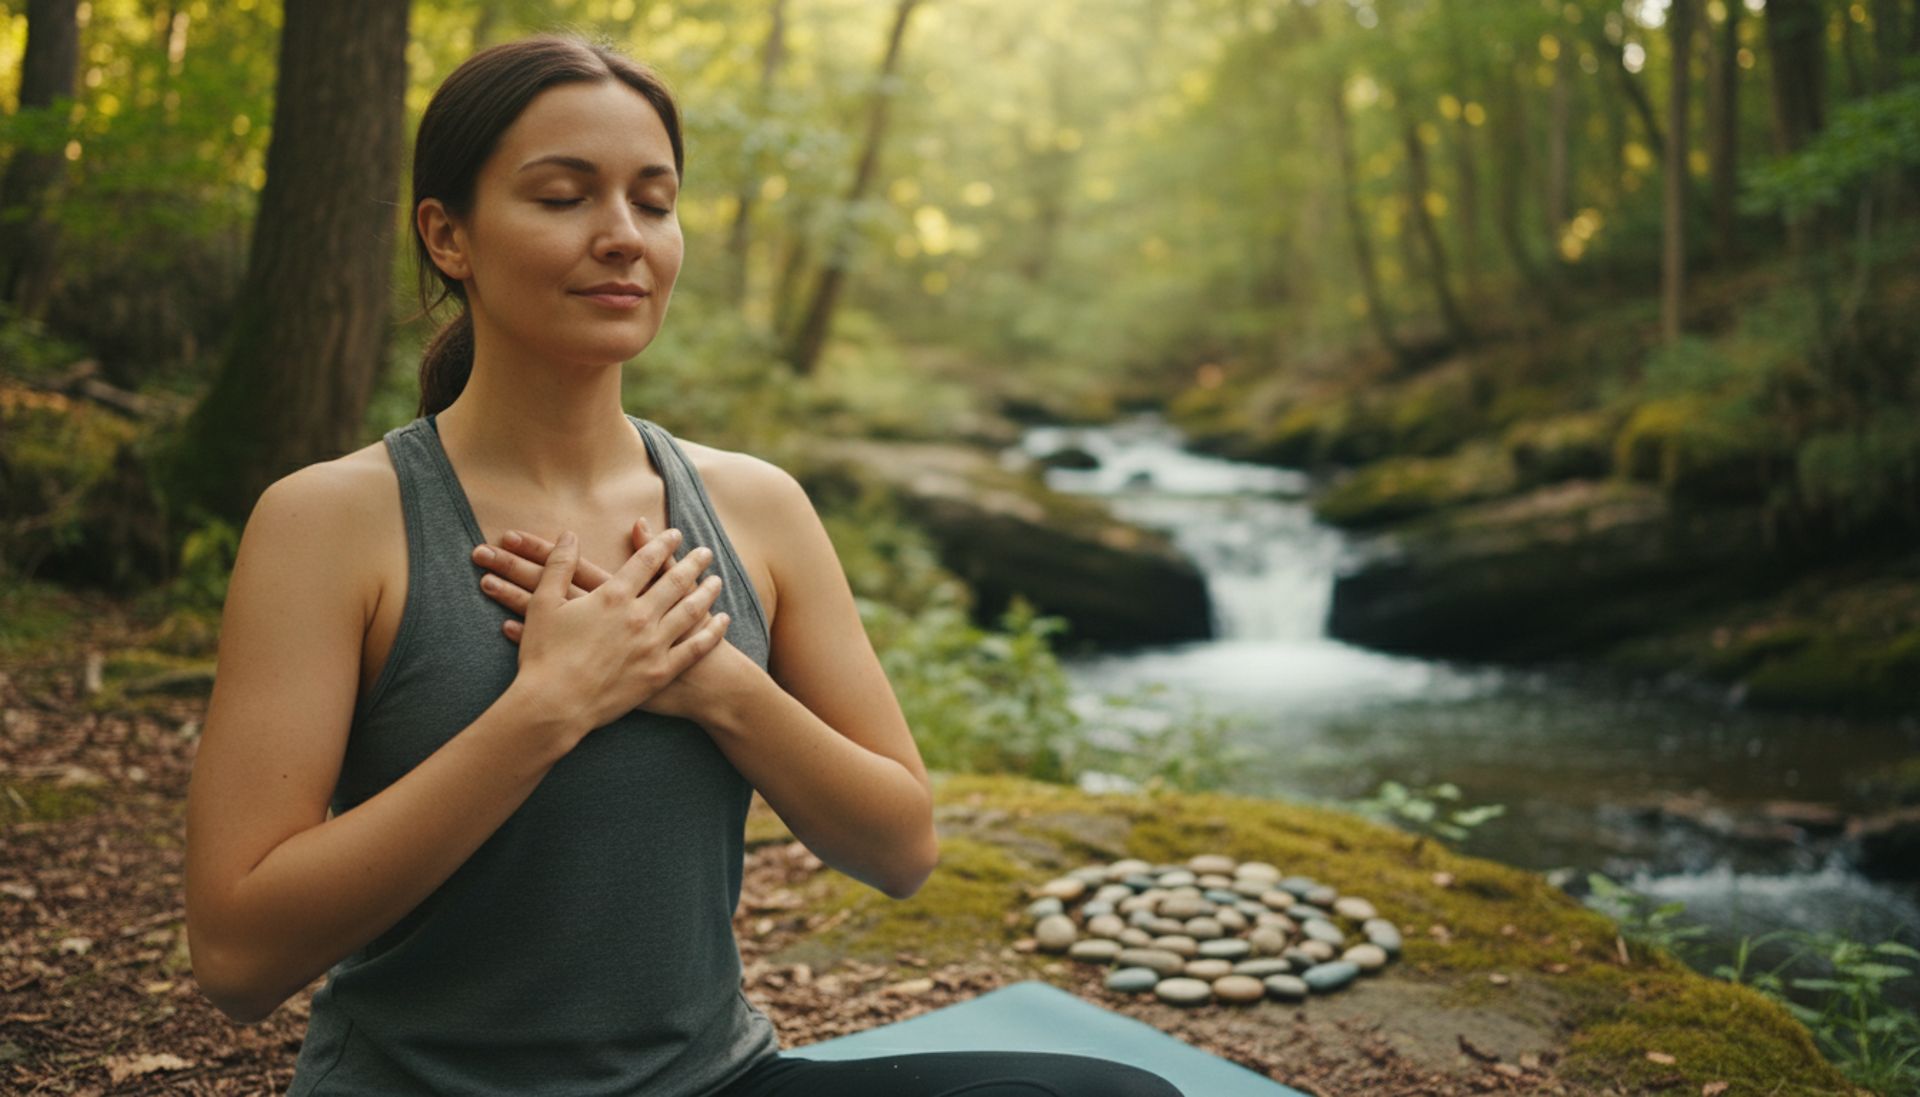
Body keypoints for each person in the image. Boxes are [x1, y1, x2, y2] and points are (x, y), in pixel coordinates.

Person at [182, 30, 1184, 1097]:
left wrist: (714, 682)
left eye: (653, 203)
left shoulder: (756, 507)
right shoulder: (333, 522)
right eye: (565, 195)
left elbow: (900, 845)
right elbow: (239, 954)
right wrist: (549, 707)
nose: (623, 236)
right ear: (448, 235)